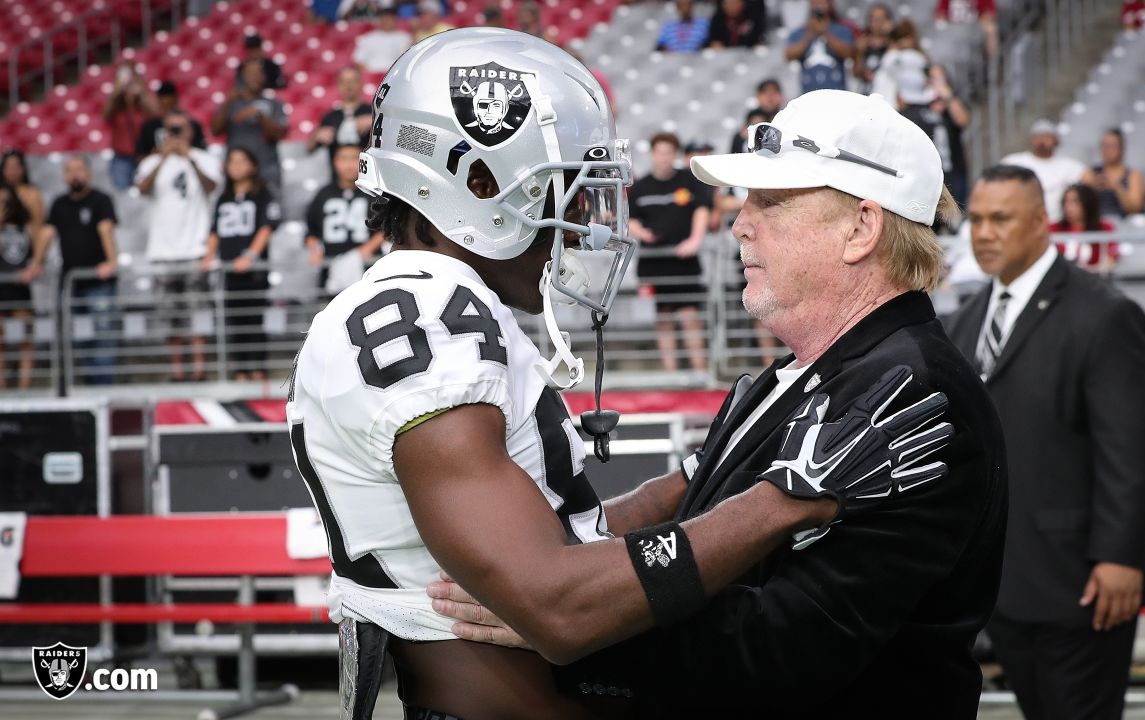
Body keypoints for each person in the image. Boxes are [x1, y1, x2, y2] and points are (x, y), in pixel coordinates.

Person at [289, 31, 885, 718]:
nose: (579, 220)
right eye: (562, 190)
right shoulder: (428, 320)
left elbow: (572, 535)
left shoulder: (441, 303)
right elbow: (560, 604)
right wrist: (788, 499)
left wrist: (706, 475)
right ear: (479, 185)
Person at [428, 89, 1008, 717]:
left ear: (861, 229)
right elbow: (688, 515)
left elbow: (785, 645)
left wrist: (573, 623)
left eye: (772, 202)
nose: (740, 224)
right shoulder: (804, 375)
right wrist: (548, 578)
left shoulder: (912, 393)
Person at [945, 164, 1145, 720]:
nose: (985, 232)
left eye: (1002, 219)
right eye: (977, 220)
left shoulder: (1105, 314)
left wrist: (1120, 557)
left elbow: (1132, 448)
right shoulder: (965, 321)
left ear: (1041, 222)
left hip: (1083, 585)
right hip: (1004, 588)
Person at [135, 112, 222, 382]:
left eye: (180, 129)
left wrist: (189, 158)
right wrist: (163, 156)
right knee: (169, 317)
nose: (175, 135)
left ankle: (197, 370)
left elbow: (211, 187)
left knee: (197, 315)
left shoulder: (204, 159)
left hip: (194, 249)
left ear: (190, 132)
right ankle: (177, 371)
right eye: (171, 130)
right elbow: (142, 188)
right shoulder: (151, 161)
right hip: (162, 251)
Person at [629, 132, 711, 374]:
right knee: (663, 319)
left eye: (669, 153)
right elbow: (631, 220)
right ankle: (671, 376)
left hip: (684, 263)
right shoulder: (641, 187)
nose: (664, 158)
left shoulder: (689, 181)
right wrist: (643, 234)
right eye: (659, 152)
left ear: (675, 155)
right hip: (654, 265)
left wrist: (695, 240)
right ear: (652, 154)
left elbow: (702, 210)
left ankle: (700, 374)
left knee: (689, 317)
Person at [32, 157, 118, 386]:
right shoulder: (59, 203)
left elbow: (106, 230)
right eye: (69, 170)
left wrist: (111, 261)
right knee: (77, 336)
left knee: (102, 335)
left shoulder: (101, 200)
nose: (74, 175)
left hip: (98, 282)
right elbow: (47, 233)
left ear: (89, 173)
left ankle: (100, 386)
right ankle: (78, 383)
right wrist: (36, 263)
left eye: (79, 169)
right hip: (70, 283)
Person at [201, 148, 281, 381]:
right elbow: (214, 231)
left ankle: (257, 369)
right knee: (233, 321)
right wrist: (209, 255)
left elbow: (267, 227)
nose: (236, 166)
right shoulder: (223, 197)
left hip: (254, 271)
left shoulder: (263, 193)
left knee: (254, 319)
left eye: (242, 161)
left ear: (253, 166)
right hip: (228, 271)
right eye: (232, 161)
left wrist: (250, 256)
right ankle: (240, 370)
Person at [304, 144, 383, 294]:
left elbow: (386, 229)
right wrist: (315, 249)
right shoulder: (323, 194)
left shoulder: (375, 193)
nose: (348, 164)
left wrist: (365, 250)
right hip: (330, 267)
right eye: (343, 158)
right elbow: (310, 230)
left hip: (367, 267)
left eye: (354, 158)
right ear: (334, 162)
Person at [210, 60, 289, 194]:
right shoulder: (231, 104)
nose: (255, 77)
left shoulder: (275, 103)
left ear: (264, 77)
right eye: (250, 73)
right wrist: (228, 101)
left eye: (259, 73)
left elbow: (279, 134)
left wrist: (258, 114)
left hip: (267, 171)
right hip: (237, 173)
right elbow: (215, 131)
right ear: (242, 77)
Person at [900, 66, 971, 210]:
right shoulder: (921, 105)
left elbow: (962, 119)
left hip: (953, 169)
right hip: (929, 175)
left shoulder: (952, 101)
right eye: (932, 79)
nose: (936, 83)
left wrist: (947, 96)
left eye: (939, 78)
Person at [1001, 119, 1086, 223]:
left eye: (1046, 136)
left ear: (1056, 140)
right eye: (1038, 136)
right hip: (1024, 224)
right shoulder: (1013, 162)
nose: (1041, 140)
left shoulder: (1069, 166)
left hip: (1058, 226)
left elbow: (1088, 179)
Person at [0, 180, 37, 389]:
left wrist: (34, 266)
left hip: (20, 290)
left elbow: (40, 247)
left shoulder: (26, 227)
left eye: (6, 202)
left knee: (24, 338)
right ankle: (2, 387)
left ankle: (25, 385)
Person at [307, 67, 374, 178]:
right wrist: (316, 136)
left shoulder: (372, 113)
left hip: (368, 178)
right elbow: (310, 148)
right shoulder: (330, 117)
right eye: (344, 81)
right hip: (338, 180)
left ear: (360, 84)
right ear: (338, 85)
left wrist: (374, 122)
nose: (348, 85)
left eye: (352, 81)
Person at [102, 63, 157, 190]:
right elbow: (105, 114)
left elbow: (156, 114)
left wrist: (141, 91)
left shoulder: (142, 104)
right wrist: (117, 91)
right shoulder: (117, 105)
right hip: (122, 158)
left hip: (144, 155)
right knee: (123, 197)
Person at [785, 0, 856, 93]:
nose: (818, 5)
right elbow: (789, 56)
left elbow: (849, 53)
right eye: (814, 2)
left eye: (822, 2)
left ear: (830, 4)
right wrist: (809, 35)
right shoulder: (800, 31)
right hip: (808, 93)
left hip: (837, 92)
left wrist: (826, 33)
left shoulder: (842, 30)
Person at [1051, 183, 1119, 272]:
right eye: (1066, 202)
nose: (1068, 207)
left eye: (1075, 202)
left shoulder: (1105, 228)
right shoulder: (1054, 228)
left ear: (1087, 203)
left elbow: (1112, 257)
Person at [1080, 128, 1145, 217]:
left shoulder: (1133, 175)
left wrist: (1116, 187)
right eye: (1104, 145)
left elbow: (1136, 209)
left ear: (1122, 149)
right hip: (1097, 226)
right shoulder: (1090, 174)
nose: (1107, 150)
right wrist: (1092, 188)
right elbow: (1079, 209)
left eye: (1112, 146)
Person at [136, 81, 208, 159]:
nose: (167, 110)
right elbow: (140, 157)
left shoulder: (192, 125)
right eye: (163, 105)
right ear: (158, 102)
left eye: (170, 105)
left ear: (176, 100)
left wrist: (188, 151)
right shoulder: (149, 127)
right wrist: (156, 155)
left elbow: (203, 154)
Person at [353, 8, 412, 74]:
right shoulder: (368, 38)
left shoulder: (405, 38)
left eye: (390, 18)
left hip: (394, 76)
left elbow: (407, 61)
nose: (387, 21)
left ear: (395, 20)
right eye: (385, 18)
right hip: (372, 75)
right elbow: (359, 61)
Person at [1, 150, 45, 235]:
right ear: (3, 170)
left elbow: (39, 223)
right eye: (8, 166)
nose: (12, 171)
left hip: (25, 236)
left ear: (23, 169)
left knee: (47, 231)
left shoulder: (32, 193)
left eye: (16, 166)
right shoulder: (2, 193)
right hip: (3, 237)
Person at [853, 2, 894, 90]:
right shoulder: (863, 42)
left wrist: (890, 36)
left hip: (886, 92)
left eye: (879, 19)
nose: (875, 23)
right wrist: (859, 53)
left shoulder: (893, 43)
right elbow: (856, 73)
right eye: (872, 19)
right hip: (866, 91)